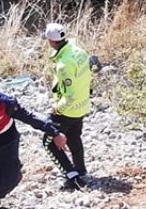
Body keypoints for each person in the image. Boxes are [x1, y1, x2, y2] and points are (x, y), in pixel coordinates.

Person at [0, 80, 71, 209]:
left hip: (7, 142)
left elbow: (30, 117)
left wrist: (54, 133)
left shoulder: (6, 104)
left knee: (12, 176)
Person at [41, 22, 92, 190]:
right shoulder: (79, 51)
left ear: (52, 41)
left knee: (48, 142)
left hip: (68, 110)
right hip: (82, 107)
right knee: (74, 138)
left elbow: (69, 95)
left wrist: (56, 110)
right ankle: (80, 169)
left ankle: (72, 176)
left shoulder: (64, 65)